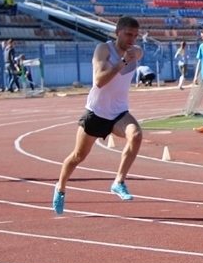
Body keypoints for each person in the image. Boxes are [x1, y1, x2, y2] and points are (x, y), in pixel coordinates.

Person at [52, 16, 144, 214]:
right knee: (77, 156)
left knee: (136, 135)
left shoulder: (135, 52)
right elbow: (99, 81)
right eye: (128, 34)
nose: (132, 39)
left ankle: (119, 181)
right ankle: (60, 187)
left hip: (119, 113)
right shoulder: (103, 49)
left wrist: (134, 53)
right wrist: (121, 62)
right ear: (117, 32)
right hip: (96, 113)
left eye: (136, 36)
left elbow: (139, 52)